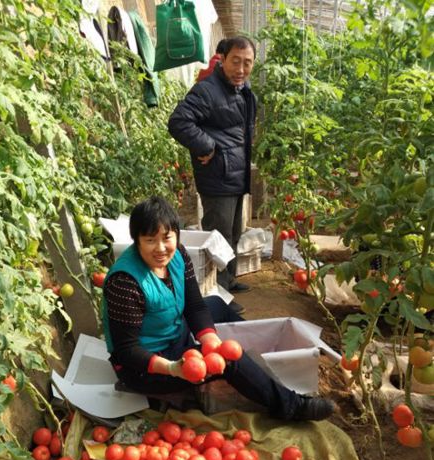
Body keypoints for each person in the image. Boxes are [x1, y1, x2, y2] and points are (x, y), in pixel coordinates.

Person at [102, 196, 335, 422]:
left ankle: (258, 371)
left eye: (167, 237)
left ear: (176, 235)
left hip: (173, 334)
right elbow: (127, 351)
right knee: (228, 361)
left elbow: (194, 306)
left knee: (216, 305)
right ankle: (290, 406)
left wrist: (210, 339)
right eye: (150, 240)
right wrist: (174, 368)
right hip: (145, 365)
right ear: (136, 241)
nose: (161, 248)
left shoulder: (178, 255)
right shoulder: (125, 282)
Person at [168, 35, 257, 311]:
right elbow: (178, 121)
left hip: (235, 175)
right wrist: (206, 145)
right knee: (217, 237)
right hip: (218, 177)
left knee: (232, 233)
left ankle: (227, 281)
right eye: (235, 61)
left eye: (247, 63)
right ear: (222, 58)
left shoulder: (241, 88)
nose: (241, 69)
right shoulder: (208, 90)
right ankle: (218, 298)